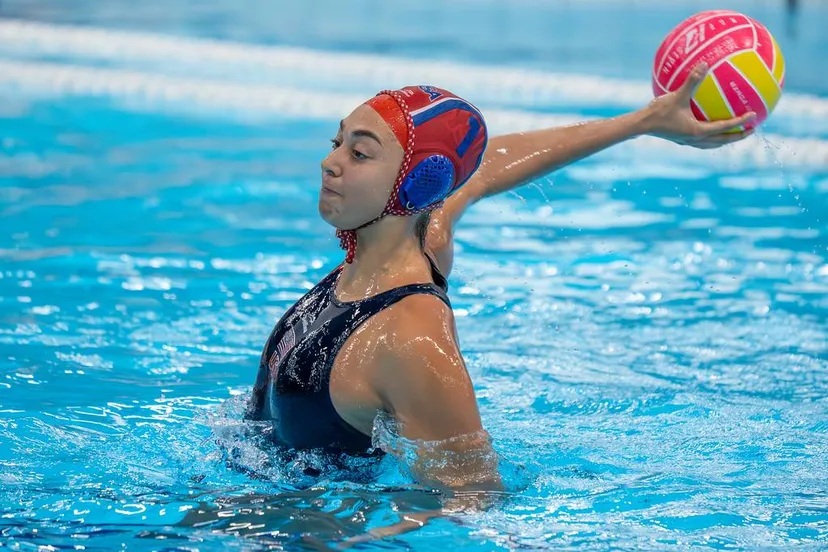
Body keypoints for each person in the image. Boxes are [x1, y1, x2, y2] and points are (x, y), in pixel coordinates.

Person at [245, 62, 755, 492]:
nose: (329, 163)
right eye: (337, 142)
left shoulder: (409, 337)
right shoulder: (414, 243)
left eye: (358, 153)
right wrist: (644, 120)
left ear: (418, 183)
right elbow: (486, 165)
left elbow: (472, 496)